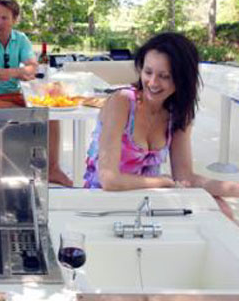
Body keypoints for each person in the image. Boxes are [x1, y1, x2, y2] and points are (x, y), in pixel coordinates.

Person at [84, 32, 239, 220]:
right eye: (148, 72)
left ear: (182, 78)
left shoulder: (179, 113)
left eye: (164, 76)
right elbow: (109, 180)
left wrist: (235, 190)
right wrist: (162, 182)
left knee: (222, 210)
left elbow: (185, 177)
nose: (153, 83)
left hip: (147, 201)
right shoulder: (122, 102)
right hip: (103, 203)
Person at [0, 0, 72, 186]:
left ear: (14, 20)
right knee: (10, 113)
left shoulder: (20, 39)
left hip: (15, 96)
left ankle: (53, 169)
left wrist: (12, 72)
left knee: (51, 113)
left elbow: (33, 68)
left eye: (4, 18)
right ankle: (10, 172)